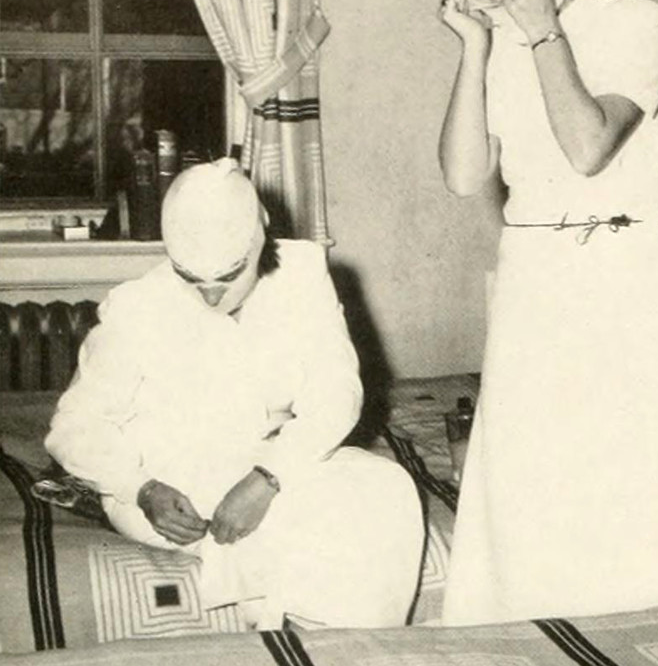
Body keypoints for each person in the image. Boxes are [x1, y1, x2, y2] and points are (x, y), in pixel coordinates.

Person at [436, 0, 658, 625]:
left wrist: (540, 33)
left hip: (623, 276)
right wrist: (474, 49)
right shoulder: (503, 43)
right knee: (532, 490)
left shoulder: (634, 24)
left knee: (627, 490)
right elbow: (464, 176)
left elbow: (588, 147)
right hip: (536, 278)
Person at [46, 158, 424, 630]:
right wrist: (141, 489)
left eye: (227, 278)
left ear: (259, 241)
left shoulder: (302, 277)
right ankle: (302, 643)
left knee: (386, 489)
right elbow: (74, 426)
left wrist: (268, 477)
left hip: (267, 461)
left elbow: (337, 392)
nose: (210, 297)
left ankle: (344, 648)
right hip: (168, 484)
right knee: (311, 526)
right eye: (190, 279)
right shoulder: (137, 306)